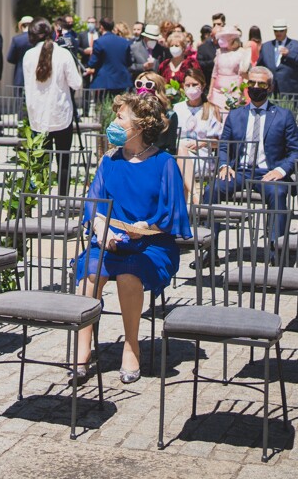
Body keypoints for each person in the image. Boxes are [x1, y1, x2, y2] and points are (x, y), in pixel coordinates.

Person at [71, 91, 192, 384]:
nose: (114, 121)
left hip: (151, 245)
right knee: (90, 271)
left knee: (128, 275)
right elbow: (94, 204)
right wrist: (102, 229)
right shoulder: (110, 160)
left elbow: (172, 217)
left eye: (120, 116)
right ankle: (82, 351)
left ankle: (131, 346)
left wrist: (143, 227)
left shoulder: (164, 163)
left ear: (138, 125)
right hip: (110, 241)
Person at [204, 65, 298, 238]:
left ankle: (275, 251)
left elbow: (295, 152)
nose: (256, 88)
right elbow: (224, 146)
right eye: (252, 83)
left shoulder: (283, 115)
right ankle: (209, 248)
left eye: (261, 84)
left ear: (270, 87)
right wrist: (224, 165)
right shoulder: (235, 115)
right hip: (240, 171)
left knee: (278, 193)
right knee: (212, 190)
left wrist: (280, 170)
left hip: (268, 172)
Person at [23, 19, 83, 186]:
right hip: (61, 114)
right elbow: (76, 83)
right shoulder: (63, 54)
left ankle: (37, 198)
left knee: (39, 162)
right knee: (63, 160)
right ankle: (63, 199)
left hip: (38, 117)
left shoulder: (28, 55)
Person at [172, 68, 223, 197]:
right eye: (187, 85)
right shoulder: (177, 108)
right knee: (179, 161)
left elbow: (218, 142)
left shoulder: (211, 109)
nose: (191, 88)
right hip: (179, 154)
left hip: (202, 156)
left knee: (182, 167)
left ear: (203, 85)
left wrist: (202, 143)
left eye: (195, 85)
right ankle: (193, 198)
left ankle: (189, 203)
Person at [259, 18, 298, 96]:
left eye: (281, 31)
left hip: (290, 90)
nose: (278, 33)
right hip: (270, 90)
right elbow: (259, 66)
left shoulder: (297, 45)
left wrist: (289, 54)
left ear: (286, 30)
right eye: (276, 31)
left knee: (289, 108)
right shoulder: (266, 46)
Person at [86, 17, 133, 96]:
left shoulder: (99, 42)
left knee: (103, 106)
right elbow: (129, 62)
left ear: (101, 27)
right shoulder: (124, 42)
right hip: (121, 81)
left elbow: (92, 63)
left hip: (104, 82)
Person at [209, 25, 248, 117]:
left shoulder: (242, 53)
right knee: (216, 115)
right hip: (217, 92)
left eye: (223, 37)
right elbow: (214, 74)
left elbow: (244, 75)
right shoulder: (219, 52)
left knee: (231, 116)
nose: (220, 40)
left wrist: (241, 92)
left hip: (234, 92)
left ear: (232, 39)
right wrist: (210, 92)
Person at [6, 16, 34, 89]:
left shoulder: (17, 39)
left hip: (19, 76)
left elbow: (10, 58)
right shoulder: (36, 39)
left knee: (19, 99)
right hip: (34, 76)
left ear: (21, 26)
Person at [195, 24, 218, 94]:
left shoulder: (228, 48)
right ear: (212, 35)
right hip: (208, 84)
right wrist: (213, 62)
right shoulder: (203, 48)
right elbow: (199, 63)